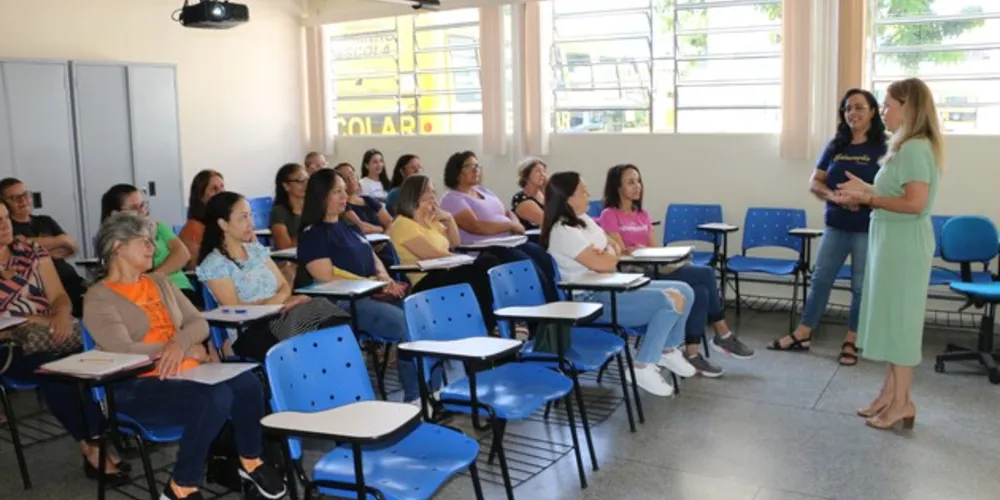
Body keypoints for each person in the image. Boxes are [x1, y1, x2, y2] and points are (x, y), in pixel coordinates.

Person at [84, 212, 286, 500]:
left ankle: (250, 459)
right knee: (215, 397)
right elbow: (123, 349)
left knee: (248, 384)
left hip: (186, 370)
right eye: (144, 242)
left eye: (152, 242)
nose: (153, 249)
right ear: (117, 246)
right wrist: (181, 348)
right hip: (135, 384)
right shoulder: (98, 296)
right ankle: (182, 485)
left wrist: (179, 345)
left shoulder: (160, 282)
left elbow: (199, 322)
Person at [831, 77, 943, 431]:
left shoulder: (915, 148)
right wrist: (864, 188)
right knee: (894, 320)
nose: (884, 111)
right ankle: (888, 395)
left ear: (908, 107)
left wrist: (867, 198)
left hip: (904, 244)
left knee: (902, 324)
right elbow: (893, 191)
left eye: (889, 104)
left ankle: (903, 403)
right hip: (892, 239)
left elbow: (914, 203)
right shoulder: (905, 146)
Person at [0, 203, 131, 485]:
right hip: (10, 349)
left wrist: (59, 314)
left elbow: (59, 295)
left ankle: (104, 434)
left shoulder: (31, 252)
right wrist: (37, 318)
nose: (5, 225)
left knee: (91, 362)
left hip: (50, 332)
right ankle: (91, 446)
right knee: (56, 373)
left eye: (5, 218)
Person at [542, 171, 695, 397]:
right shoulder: (564, 231)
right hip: (590, 300)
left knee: (685, 291)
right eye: (583, 191)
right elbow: (606, 262)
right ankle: (642, 366)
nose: (589, 194)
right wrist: (608, 254)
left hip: (610, 285)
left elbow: (613, 244)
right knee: (669, 299)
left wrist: (607, 253)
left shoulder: (583, 221)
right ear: (568, 199)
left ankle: (668, 349)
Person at [767, 89, 888, 366]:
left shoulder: (884, 148)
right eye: (847, 109)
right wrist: (835, 197)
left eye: (859, 107)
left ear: (873, 111)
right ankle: (803, 333)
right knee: (820, 280)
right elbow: (815, 181)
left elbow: (892, 188)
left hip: (866, 228)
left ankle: (852, 340)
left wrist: (863, 197)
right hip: (836, 226)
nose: (852, 113)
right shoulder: (837, 145)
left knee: (860, 286)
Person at [598, 164, 754, 378]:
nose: (637, 186)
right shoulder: (609, 214)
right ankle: (722, 333)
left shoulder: (642, 214)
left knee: (701, 292)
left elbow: (654, 249)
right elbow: (618, 251)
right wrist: (635, 250)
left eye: (639, 181)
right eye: (630, 182)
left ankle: (692, 354)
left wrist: (643, 250)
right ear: (617, 187)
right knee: (706, 274)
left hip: (653, 266)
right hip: (633, 272)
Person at [297, 169, 419, 402]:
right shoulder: (313, 234)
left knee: (419, 318)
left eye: (345, 191)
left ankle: (431, 393)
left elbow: (373, 257)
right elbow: (324, 276)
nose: (345, 196)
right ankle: (415, 398)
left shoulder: (349, 226)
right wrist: (374, 285)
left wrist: (385, 278)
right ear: (321, 196)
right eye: (337, 192)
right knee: (405, 327)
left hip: (371, 292)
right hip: (343, 302)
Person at [196, 192, 348, 360]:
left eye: (251, 216)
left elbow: (283, 286)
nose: (251, 223)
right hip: (250, 331)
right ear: (223, 224)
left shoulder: (255, 250)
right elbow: (235, 310)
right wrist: (277, 305)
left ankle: (334, 373)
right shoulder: (215, 264)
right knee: (314, 320)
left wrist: (281, 303)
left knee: (324, 312)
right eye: (243, 217)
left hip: (279, 316)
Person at [438, 150, 557, 301]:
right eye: (469, 166)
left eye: (477, 165)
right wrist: (510, 226)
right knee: (528, 266)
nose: (476, 169)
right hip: (485, 250)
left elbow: (506, 211)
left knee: (543, 257)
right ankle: (540, 316)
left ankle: (554, 306)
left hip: (508, 242)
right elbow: (477, 227)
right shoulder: (452, 198)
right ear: (456, 172)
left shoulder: (482, 191)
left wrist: (514, 224)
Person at [387, 174, 501, 330]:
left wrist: (448, 218)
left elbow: (454, 243)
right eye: (428, 191)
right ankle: (485, 323)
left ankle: (485, 321)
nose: (433, 196)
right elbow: (431, 254)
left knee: (489, 261)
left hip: (445, 271)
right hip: (425, 280)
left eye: (433, 191)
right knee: (480, 268)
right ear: (415, 195)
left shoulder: (431, 220)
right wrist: (462, 259)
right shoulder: (403, 223)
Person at [100, 184, 200, 307]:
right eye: (134, 208)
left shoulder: (158, 227)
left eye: (142, 205)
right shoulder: (116, 242)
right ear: (115, 214)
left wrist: (151, 278)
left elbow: (183, 254)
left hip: (178, 288)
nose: (142, 211)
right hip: (143, 295)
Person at [0, 177, 86, 317]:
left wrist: (45, 247)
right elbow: (29, 249)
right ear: (5, 202)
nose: (23, 201)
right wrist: (58, 240)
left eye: (25, 195)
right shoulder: (10, 230)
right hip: (47, 289)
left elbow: (72, 247)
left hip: (72, 281)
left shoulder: (45, 220)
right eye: (15, 198)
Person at [178, 170, 225, 269]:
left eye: (222, 186)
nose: (221, 192)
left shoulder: (222, 222)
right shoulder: (193, 229)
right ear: (200, 196)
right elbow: (194, 268)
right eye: (214, 189)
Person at [334, 162, 393, 234]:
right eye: (345, 178)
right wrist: (381, 229)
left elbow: (389, 221)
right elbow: (361, 227)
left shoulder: (368, 199)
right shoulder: (343, 205)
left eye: (352, 175)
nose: (351, 180)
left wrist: (386, 235)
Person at [269, 163, 307, 250]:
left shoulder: (313, 208)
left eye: (307, 180)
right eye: (300, 181)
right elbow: (284, 246)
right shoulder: (279, 212)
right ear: (286, 186)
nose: (306, 184)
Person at [510, 157, 547, 230]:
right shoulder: (521, 198)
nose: (543, 174)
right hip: (531, 238)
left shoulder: (544, 194)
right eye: (538, 171)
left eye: (544, 171)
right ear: (526, 175)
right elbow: (546, 221)